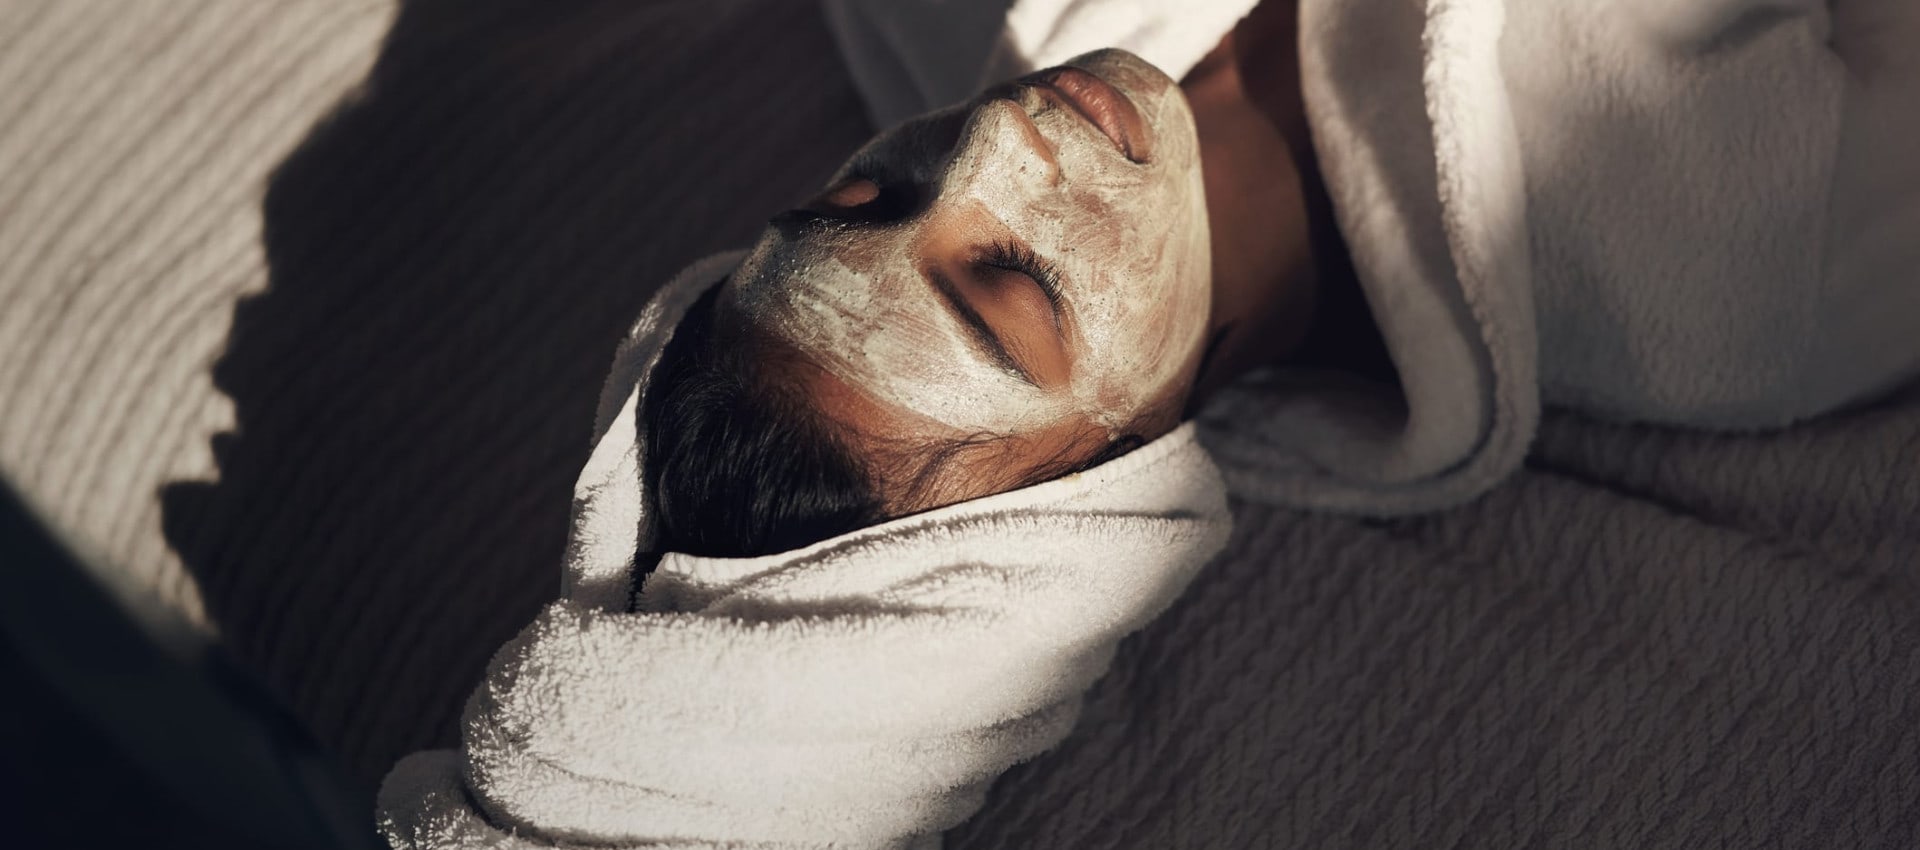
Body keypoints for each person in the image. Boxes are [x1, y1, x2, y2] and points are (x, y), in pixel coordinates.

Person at [643, 0, 1920, 559]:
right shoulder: (1739, 273)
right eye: (1009, 285)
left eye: (857, 198)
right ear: (1126, 473)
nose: (988, 139)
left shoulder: (938, 17)